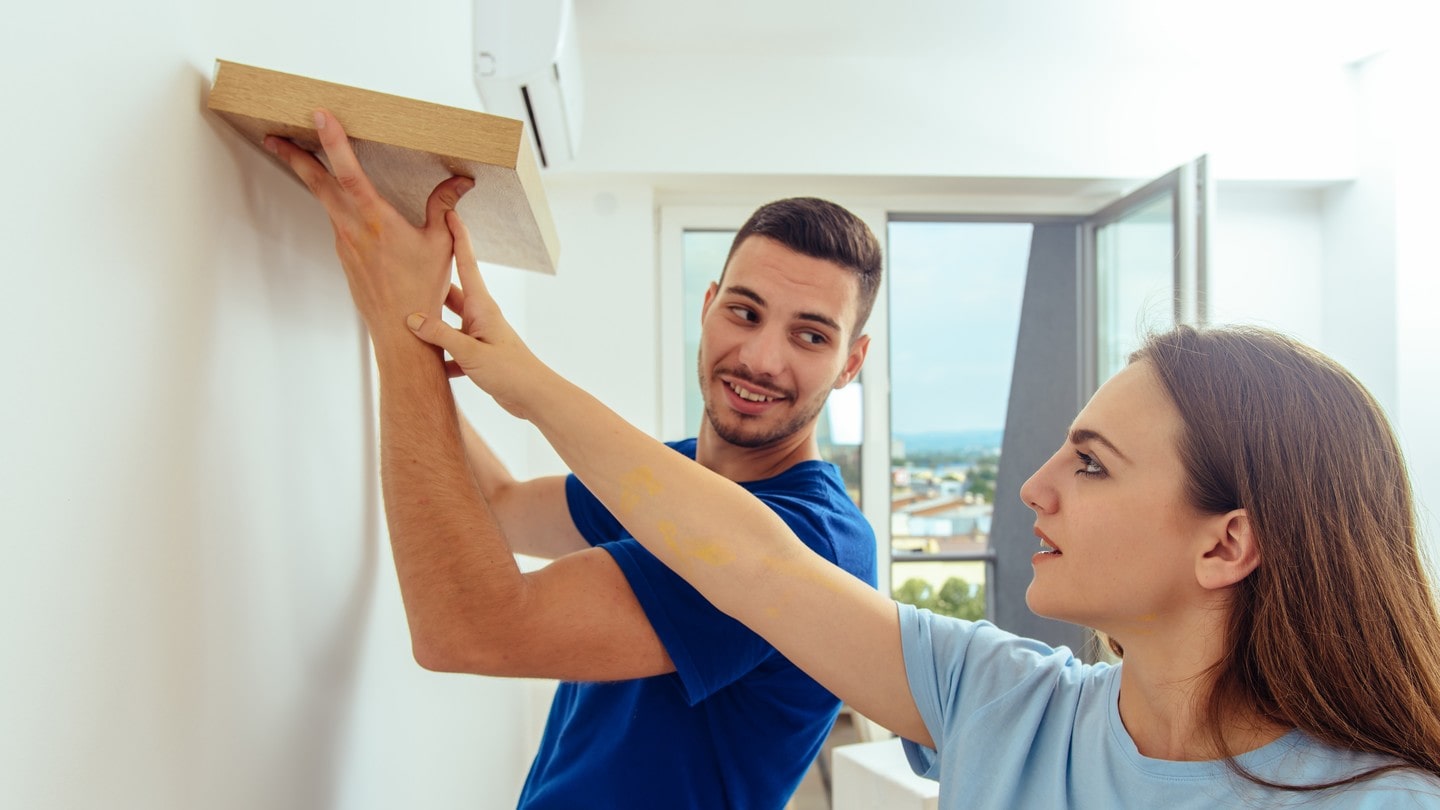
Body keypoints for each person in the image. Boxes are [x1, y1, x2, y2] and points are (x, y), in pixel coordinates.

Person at [415, 217, 1440, 805]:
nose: (1035, 486)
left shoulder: (1387, 799)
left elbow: (761, 558)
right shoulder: (1003, 702)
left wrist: (495, 366)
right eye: (743, 311)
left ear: (1228, 541)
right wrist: (423, 337)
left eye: (1090, 463)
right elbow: (747, 564)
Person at [264, 110, 881, 808]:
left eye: (809, 335)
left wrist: (399, 335)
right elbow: (500, 505)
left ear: (851, 361)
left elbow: (468, 631)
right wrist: (410, 320)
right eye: (744, 312)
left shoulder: (809, 540)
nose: (763, 358)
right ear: (707, 308)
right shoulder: (672, 481)